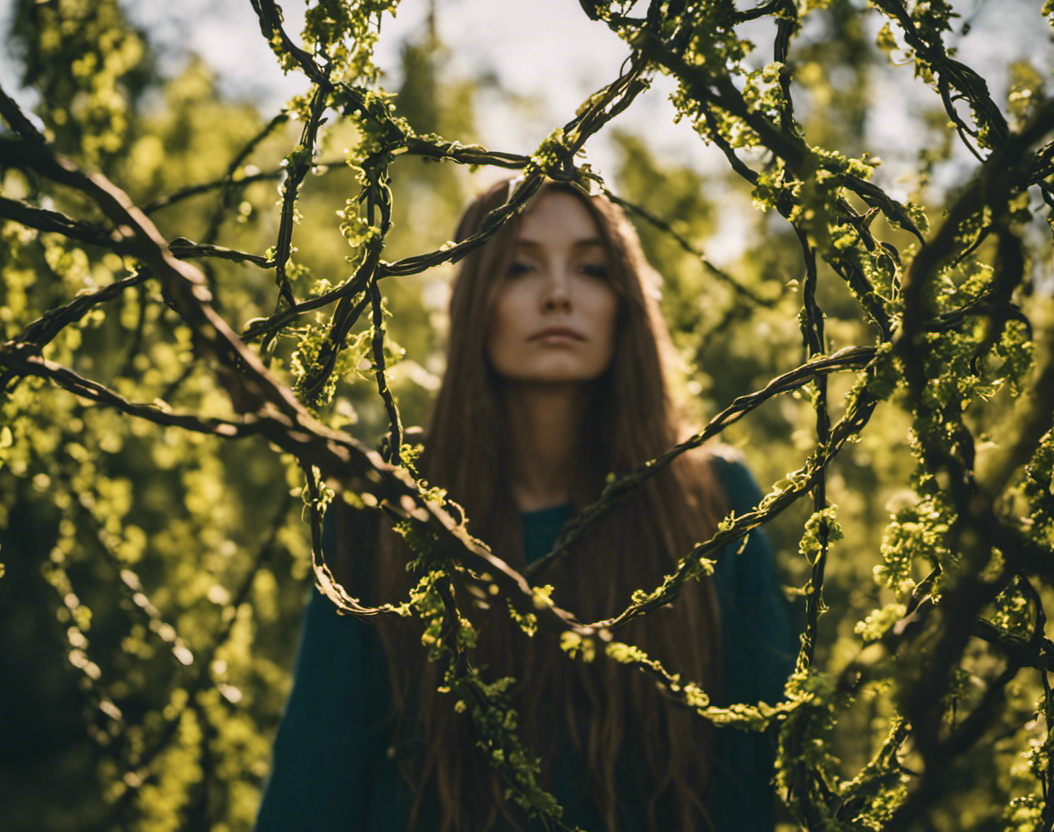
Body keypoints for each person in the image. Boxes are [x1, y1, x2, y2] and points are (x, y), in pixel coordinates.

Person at [255, 179, 797, 832]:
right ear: (473, 301)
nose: (559, 293)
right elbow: (316, 783)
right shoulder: (384, 509)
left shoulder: (711, 502)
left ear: (625, 303)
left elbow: (753, 777)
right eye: (519, 266)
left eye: (592, 269)